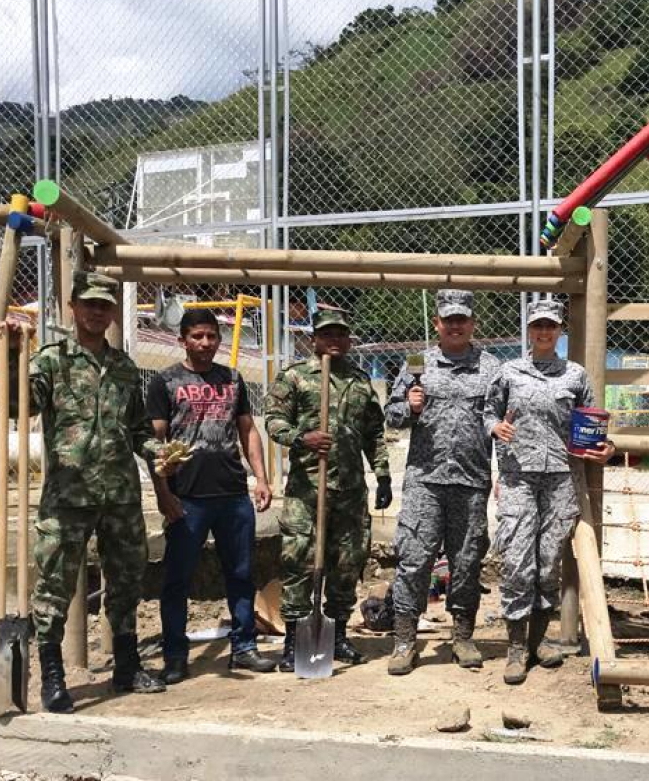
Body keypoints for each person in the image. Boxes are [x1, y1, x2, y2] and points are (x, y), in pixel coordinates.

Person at [3, 271, 170, 713]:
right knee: (55, 584)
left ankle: (127, 666)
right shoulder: (51, 362)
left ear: (112, 311)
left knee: (127, 580)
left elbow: (137, 430)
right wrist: (13, 355)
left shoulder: (126, 368)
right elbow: (21, 404)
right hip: (68, 496)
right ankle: (53, 676)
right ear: (73, 308)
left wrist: (160, 452)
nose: (97, 311)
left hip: (120, 494)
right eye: (89, 304)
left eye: (104, 304)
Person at [484, 298, 614, 685]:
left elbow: (592, 424)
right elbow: (488, 412)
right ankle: (515, 648)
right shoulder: (509, 373)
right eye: (538, 326)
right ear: (529, 330)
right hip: (518, 478)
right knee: (517, 561)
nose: (544, 332)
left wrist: (606, 447)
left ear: (559, 331)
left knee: (547, 562)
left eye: (551, 326)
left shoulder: (574, 376)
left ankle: (540, 641)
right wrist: (495, 428)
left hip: (560, 478)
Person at [146, 308, 277, 683]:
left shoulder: (232, 379)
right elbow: (155, 442)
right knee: (177, 580)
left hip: (232, 494)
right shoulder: (166, 382)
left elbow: (248, 430)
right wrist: (163, 493)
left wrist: (261, 478)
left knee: (240, 573)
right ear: (183, 339)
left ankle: (244, 648)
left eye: (211, 337)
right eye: (197, 337)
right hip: (187, 498)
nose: (205, 344)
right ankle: (175, 655)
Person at [265, 307, 392, 671]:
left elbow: (374, 433)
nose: (334, 340)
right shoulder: (295, 377)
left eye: (340, 335)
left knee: (347, 563)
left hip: (350, 490)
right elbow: (273, 421)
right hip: (308, 489)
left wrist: (382, 475)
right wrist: (302, 438)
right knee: (299, 562)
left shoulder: (360, 380)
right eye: (326, 334)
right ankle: (294, 641)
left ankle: (336, 636)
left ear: (348, 339)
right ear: (315, 338)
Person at [383, 289, 501, 675]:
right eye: (448, 319)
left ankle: (463, 637)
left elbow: (502, 422)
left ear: (472, 323)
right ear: (437, 323)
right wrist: (410, 407)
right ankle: (404, 641)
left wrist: (504, 476)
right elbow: (393, 416)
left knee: (467, 561)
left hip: (471, 480)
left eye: (461, 319)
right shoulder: (417, 364)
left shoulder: (491, 368)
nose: (455, 325)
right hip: (425, 480)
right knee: (415, 559)